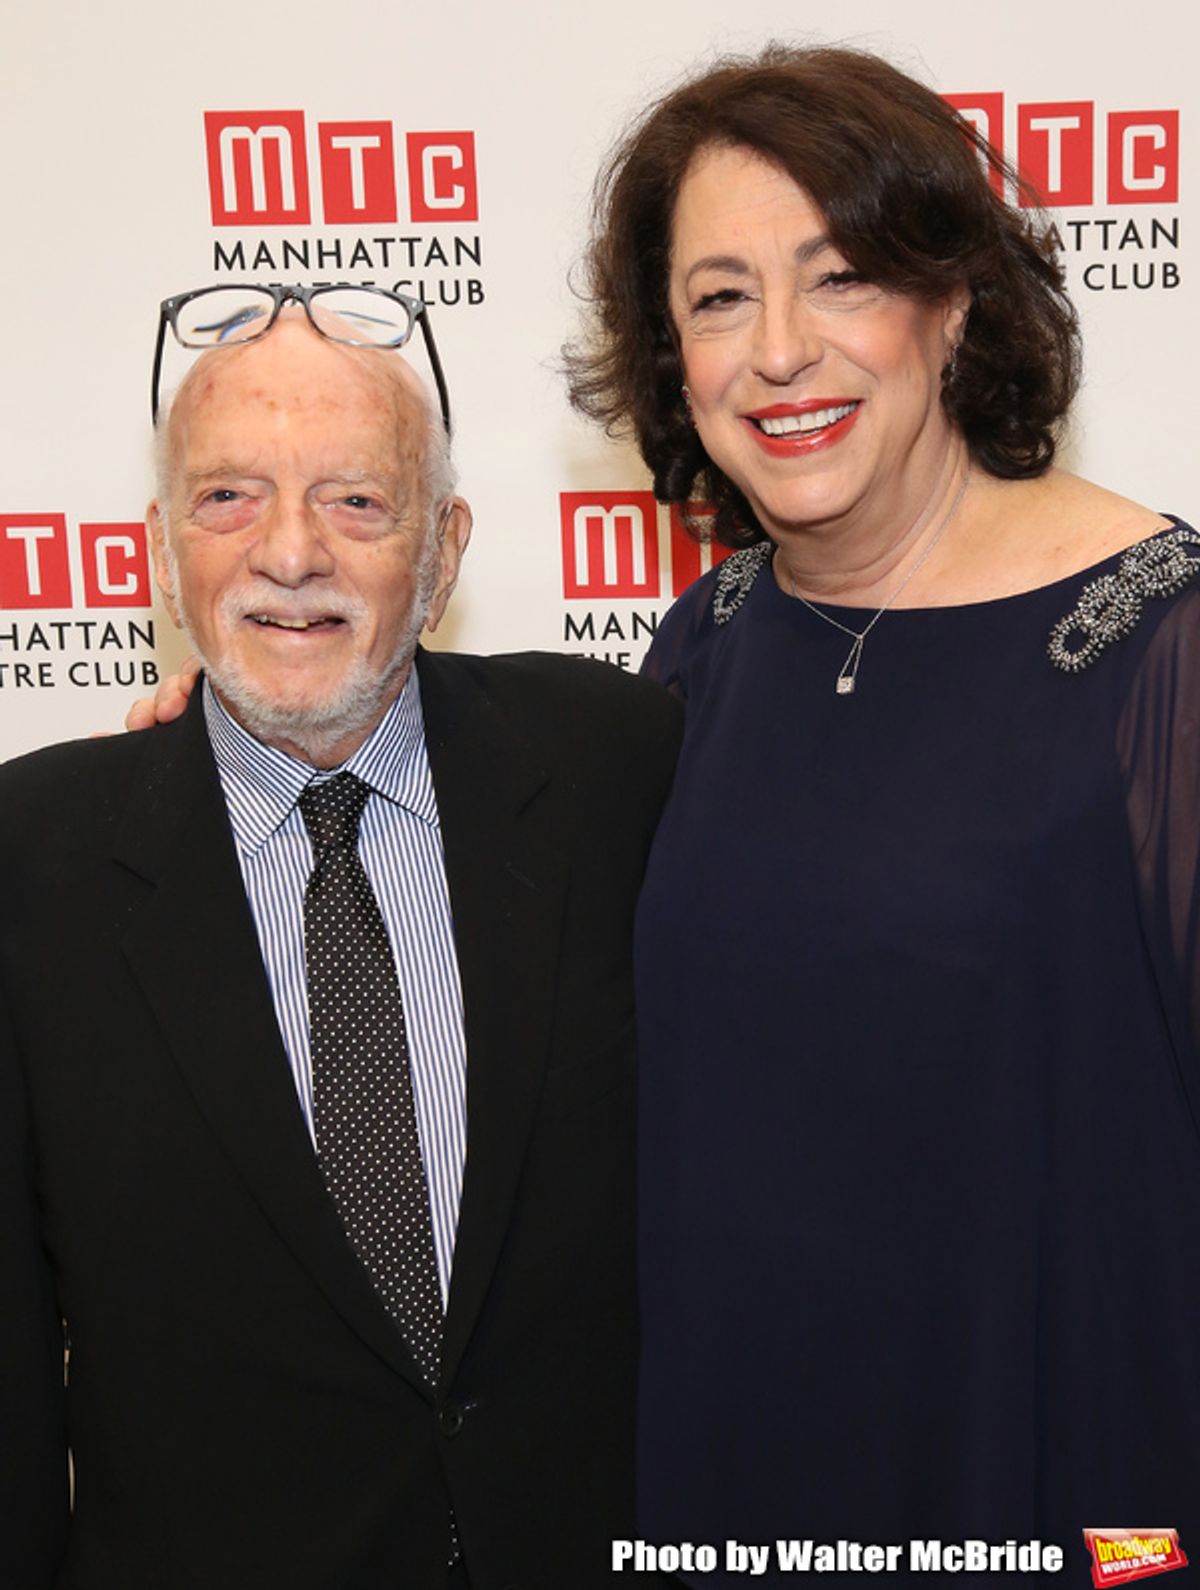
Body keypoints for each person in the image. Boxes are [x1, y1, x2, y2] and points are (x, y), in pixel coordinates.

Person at [566, 44, 1200, 1584]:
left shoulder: (1160, 645)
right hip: (733, 1492)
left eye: (838, 278)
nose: (779, 352)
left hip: (1070, 1495)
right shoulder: (701, 647)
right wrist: (237, 750)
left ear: (955, 302)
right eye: (720, 297)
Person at [0, 292, 681, 1589]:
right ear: (158, 553)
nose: (291, 552)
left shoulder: (621, 764)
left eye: (358, 502)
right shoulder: (30, 867)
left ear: (443, 551)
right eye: (228, 500)